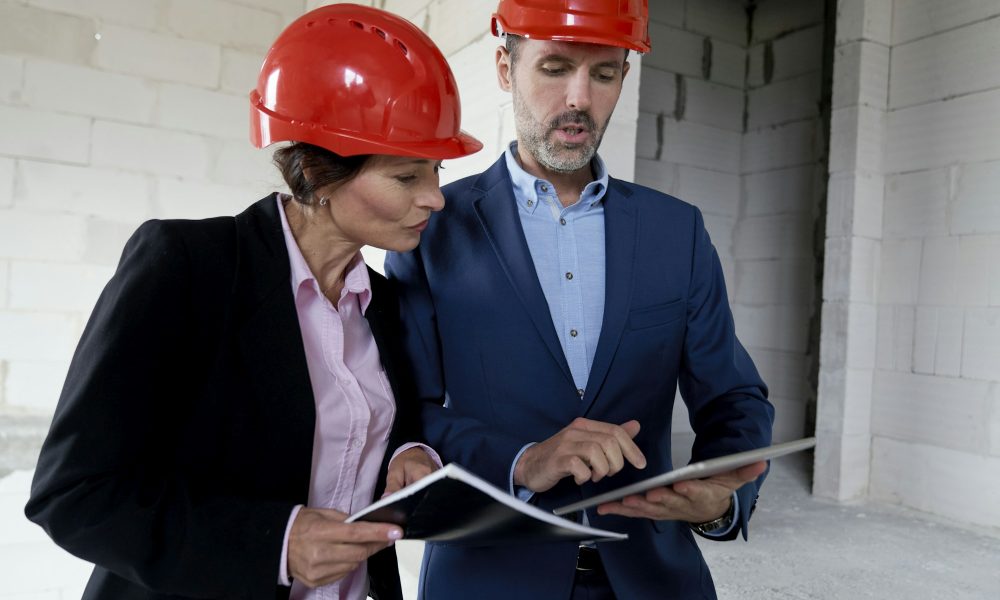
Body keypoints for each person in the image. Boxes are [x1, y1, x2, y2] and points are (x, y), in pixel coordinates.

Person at [24, 5, 481, 600]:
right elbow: (74, 493)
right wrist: (276, 543)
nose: (437, 199)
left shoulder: (383, 300)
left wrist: (410, 454)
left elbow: (353, 433)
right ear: (320, 174)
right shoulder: (187, 266)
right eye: (406, 178)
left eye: (437, 172)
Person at [385, 1, 774, 598]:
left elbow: (734, 398)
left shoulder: (678, 232)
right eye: (555, 67)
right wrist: (524, 461)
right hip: (487, 579)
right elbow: (406, 413)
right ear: (504, 68)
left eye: (604, 74)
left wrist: (721, 493)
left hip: (652, 577)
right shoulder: (429, 226)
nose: (579, 99)